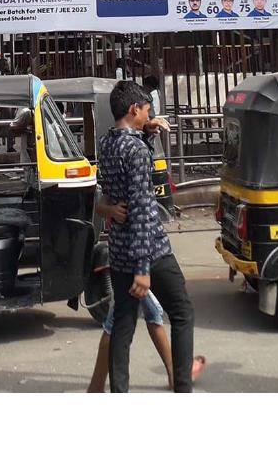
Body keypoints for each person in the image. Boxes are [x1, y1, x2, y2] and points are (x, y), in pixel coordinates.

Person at [97, 80, 196, 393]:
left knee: (123, 326)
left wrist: (146, 132)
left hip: (119, 250)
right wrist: (143, 269)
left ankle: (119, 392)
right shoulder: (137, 150)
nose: (149, 115)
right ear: (133, 109)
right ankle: (182, 386)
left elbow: (117, 190)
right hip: (150, 250)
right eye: (146, 110)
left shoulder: (107, 143)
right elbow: (140, 208)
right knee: (182, 314)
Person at [88, 198, 207, 392]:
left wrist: (109, 210)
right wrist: (142, 269)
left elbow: (102, 204)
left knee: (140, 316)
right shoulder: (135, 168)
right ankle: (175, 378)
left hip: (127, 256)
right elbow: (140, 214)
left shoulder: (114, 170)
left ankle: (100, 385)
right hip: (141, 257)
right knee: (123, 321)